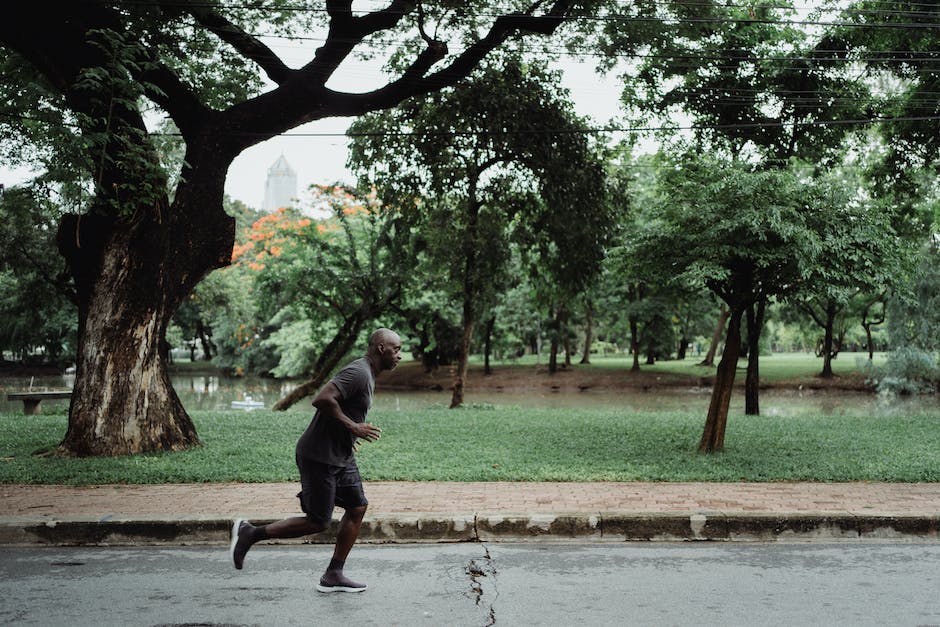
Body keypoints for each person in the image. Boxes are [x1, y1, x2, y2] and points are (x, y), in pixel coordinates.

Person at [230, 327, 403, 593]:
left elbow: (342, 408)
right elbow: (321, 399)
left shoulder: (368, 374)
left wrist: (348, 438)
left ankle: (334, 573)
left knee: (357, 508)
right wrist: (353, 428)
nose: (400, 355)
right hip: (319, 457)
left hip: (340, 456)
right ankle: (250, 533)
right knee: (318, 521)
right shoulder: (358, 372)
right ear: (381, 348)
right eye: (397, 349)